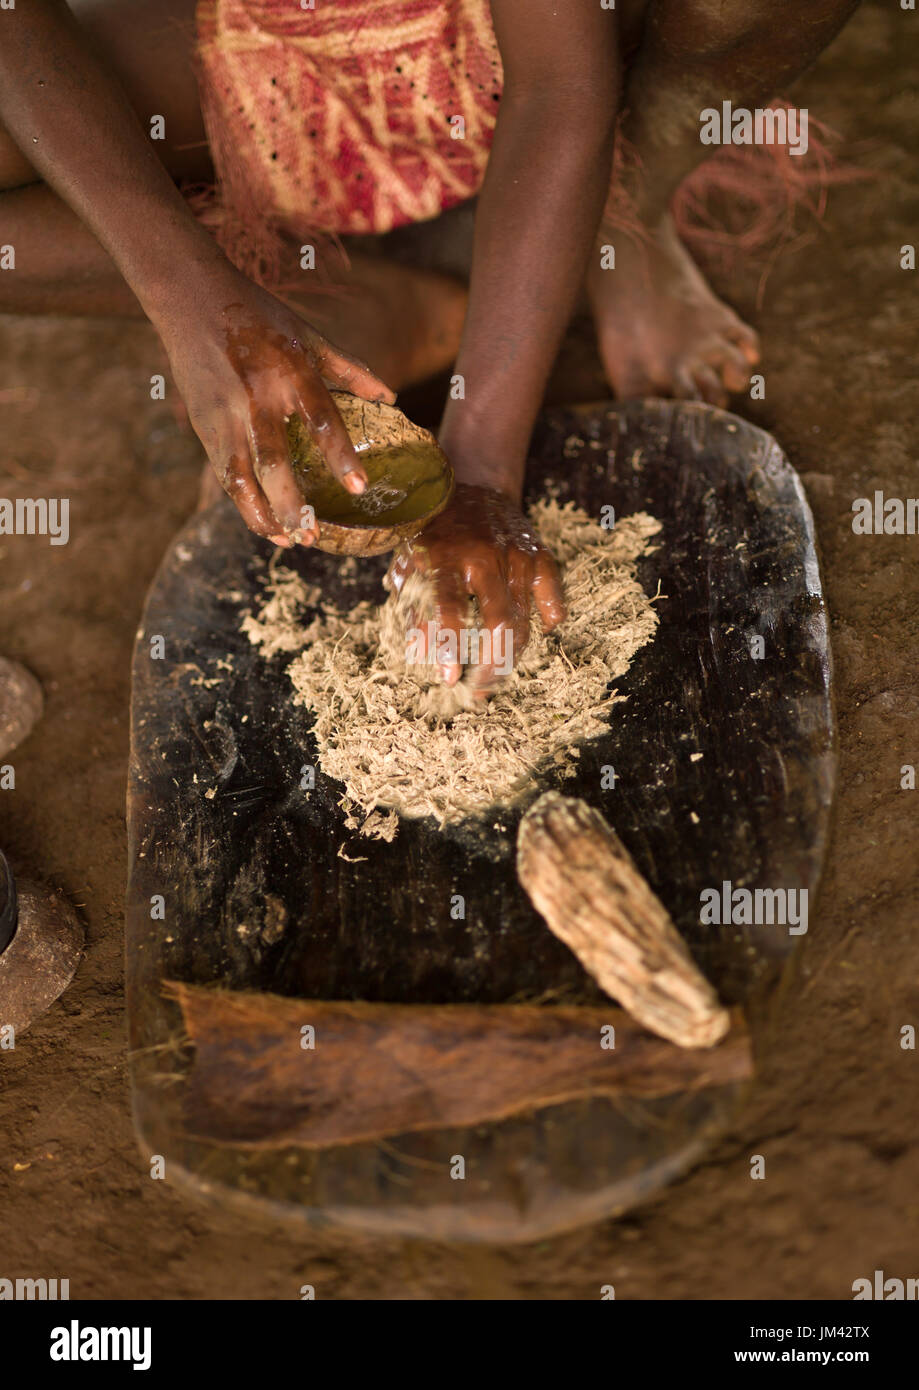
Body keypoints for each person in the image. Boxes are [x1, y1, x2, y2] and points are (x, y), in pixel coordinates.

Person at [0, 0, 859, 697]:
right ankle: (338, 300)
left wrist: (481, 470)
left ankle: (621, 213)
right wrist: (191, 297)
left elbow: (558, 89)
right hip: (244, 37)